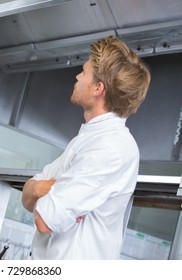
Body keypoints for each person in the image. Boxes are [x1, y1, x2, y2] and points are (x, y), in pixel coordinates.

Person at [22, 36, 151, 259]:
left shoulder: (111, 148)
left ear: (98, 88)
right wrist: (38, 188)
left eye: (84, 72)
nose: (77, 76)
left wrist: (45, 190)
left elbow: (43, 220)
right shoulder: (88, 139)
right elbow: (26, 197)